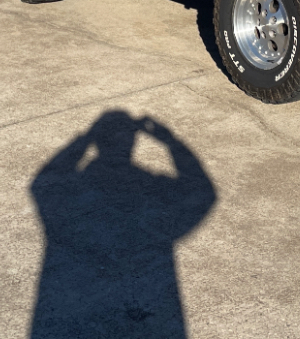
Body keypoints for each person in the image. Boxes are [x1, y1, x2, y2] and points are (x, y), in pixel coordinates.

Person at [29, 111, 216, 338]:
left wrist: (84, 139)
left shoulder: (75, 190)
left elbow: (41, 184)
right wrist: (171, 142)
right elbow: (203, 194)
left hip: (75, 308)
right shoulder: (152, 187)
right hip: (149, 308)